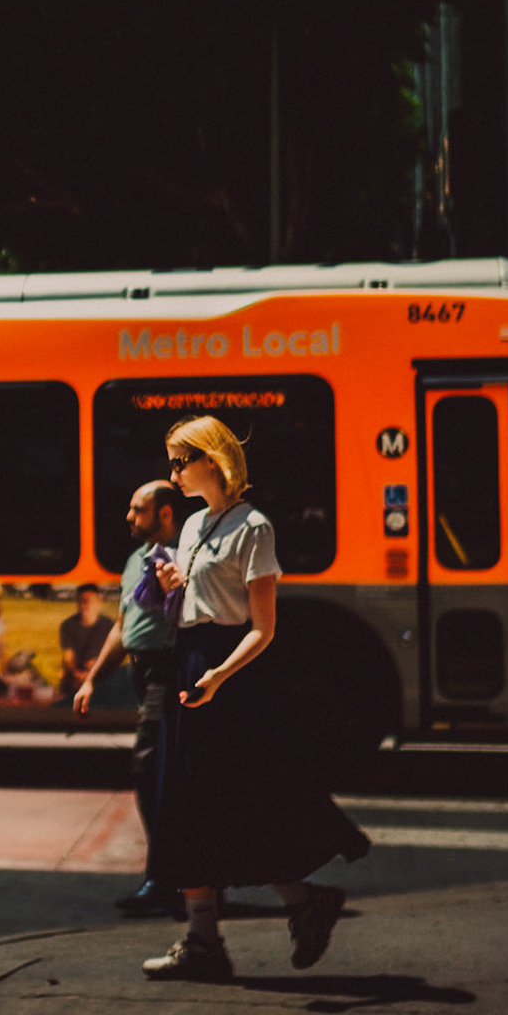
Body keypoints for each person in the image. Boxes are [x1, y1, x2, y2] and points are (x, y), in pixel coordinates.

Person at [139, 415, 370, 983]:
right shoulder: (192, 526)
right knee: (182, 805)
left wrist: (219, 674)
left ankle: (295, 905)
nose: (172, 473)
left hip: (230, 674)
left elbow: (262, 628)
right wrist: (174, 594)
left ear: (211, 461)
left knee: (237, 801)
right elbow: (191, 610)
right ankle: (208, 939)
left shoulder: (254, 527)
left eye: (180, 461)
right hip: (190, 661)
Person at [72, 482, 182, 918]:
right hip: (143, 671)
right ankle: (184, 877)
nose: (129, 517)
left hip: (169, 671)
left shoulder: (182, 556)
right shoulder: (137, 560)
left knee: (150, 768)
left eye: (138, 509)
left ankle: (163, 880)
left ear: (165, 514)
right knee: (163, 777)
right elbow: (122, 626)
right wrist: (92, 680)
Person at [57, 583, 113, 698]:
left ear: (98, 603)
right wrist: (76, 673)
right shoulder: (68, 626)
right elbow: (68, 658)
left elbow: (112, 657)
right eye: (81, 601)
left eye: (89, 601)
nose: (85, 605)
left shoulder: (109, 626)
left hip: (101, 676)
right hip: (75, 678)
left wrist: (95, 667)